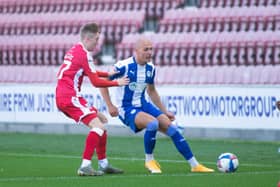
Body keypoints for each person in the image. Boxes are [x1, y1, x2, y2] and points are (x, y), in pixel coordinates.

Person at [99, 37, 214, 174]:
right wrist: (110, 105)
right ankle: (149, 160)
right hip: (127, 108)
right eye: (146, 49)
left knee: (173, 129)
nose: (149, 52)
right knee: (153, 124)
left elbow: (151, 91)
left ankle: (195, 165)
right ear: (136, 51)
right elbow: (102, 82)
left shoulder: (151, 68)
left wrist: (164, 111)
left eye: (151, 49)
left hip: (144, 105)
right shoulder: (123, 66)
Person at [55, 23, 129, 176]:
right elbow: (95, 82)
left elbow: (90, 72)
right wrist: (116, 82)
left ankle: (104, 164)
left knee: (101, 123)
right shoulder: (84, 54)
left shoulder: (75, 50)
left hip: (66, 96)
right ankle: (85, 165)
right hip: (70, 97)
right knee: (99, 127)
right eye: (96, 39)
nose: (98, 42)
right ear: (88, 38)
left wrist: (107, 74)